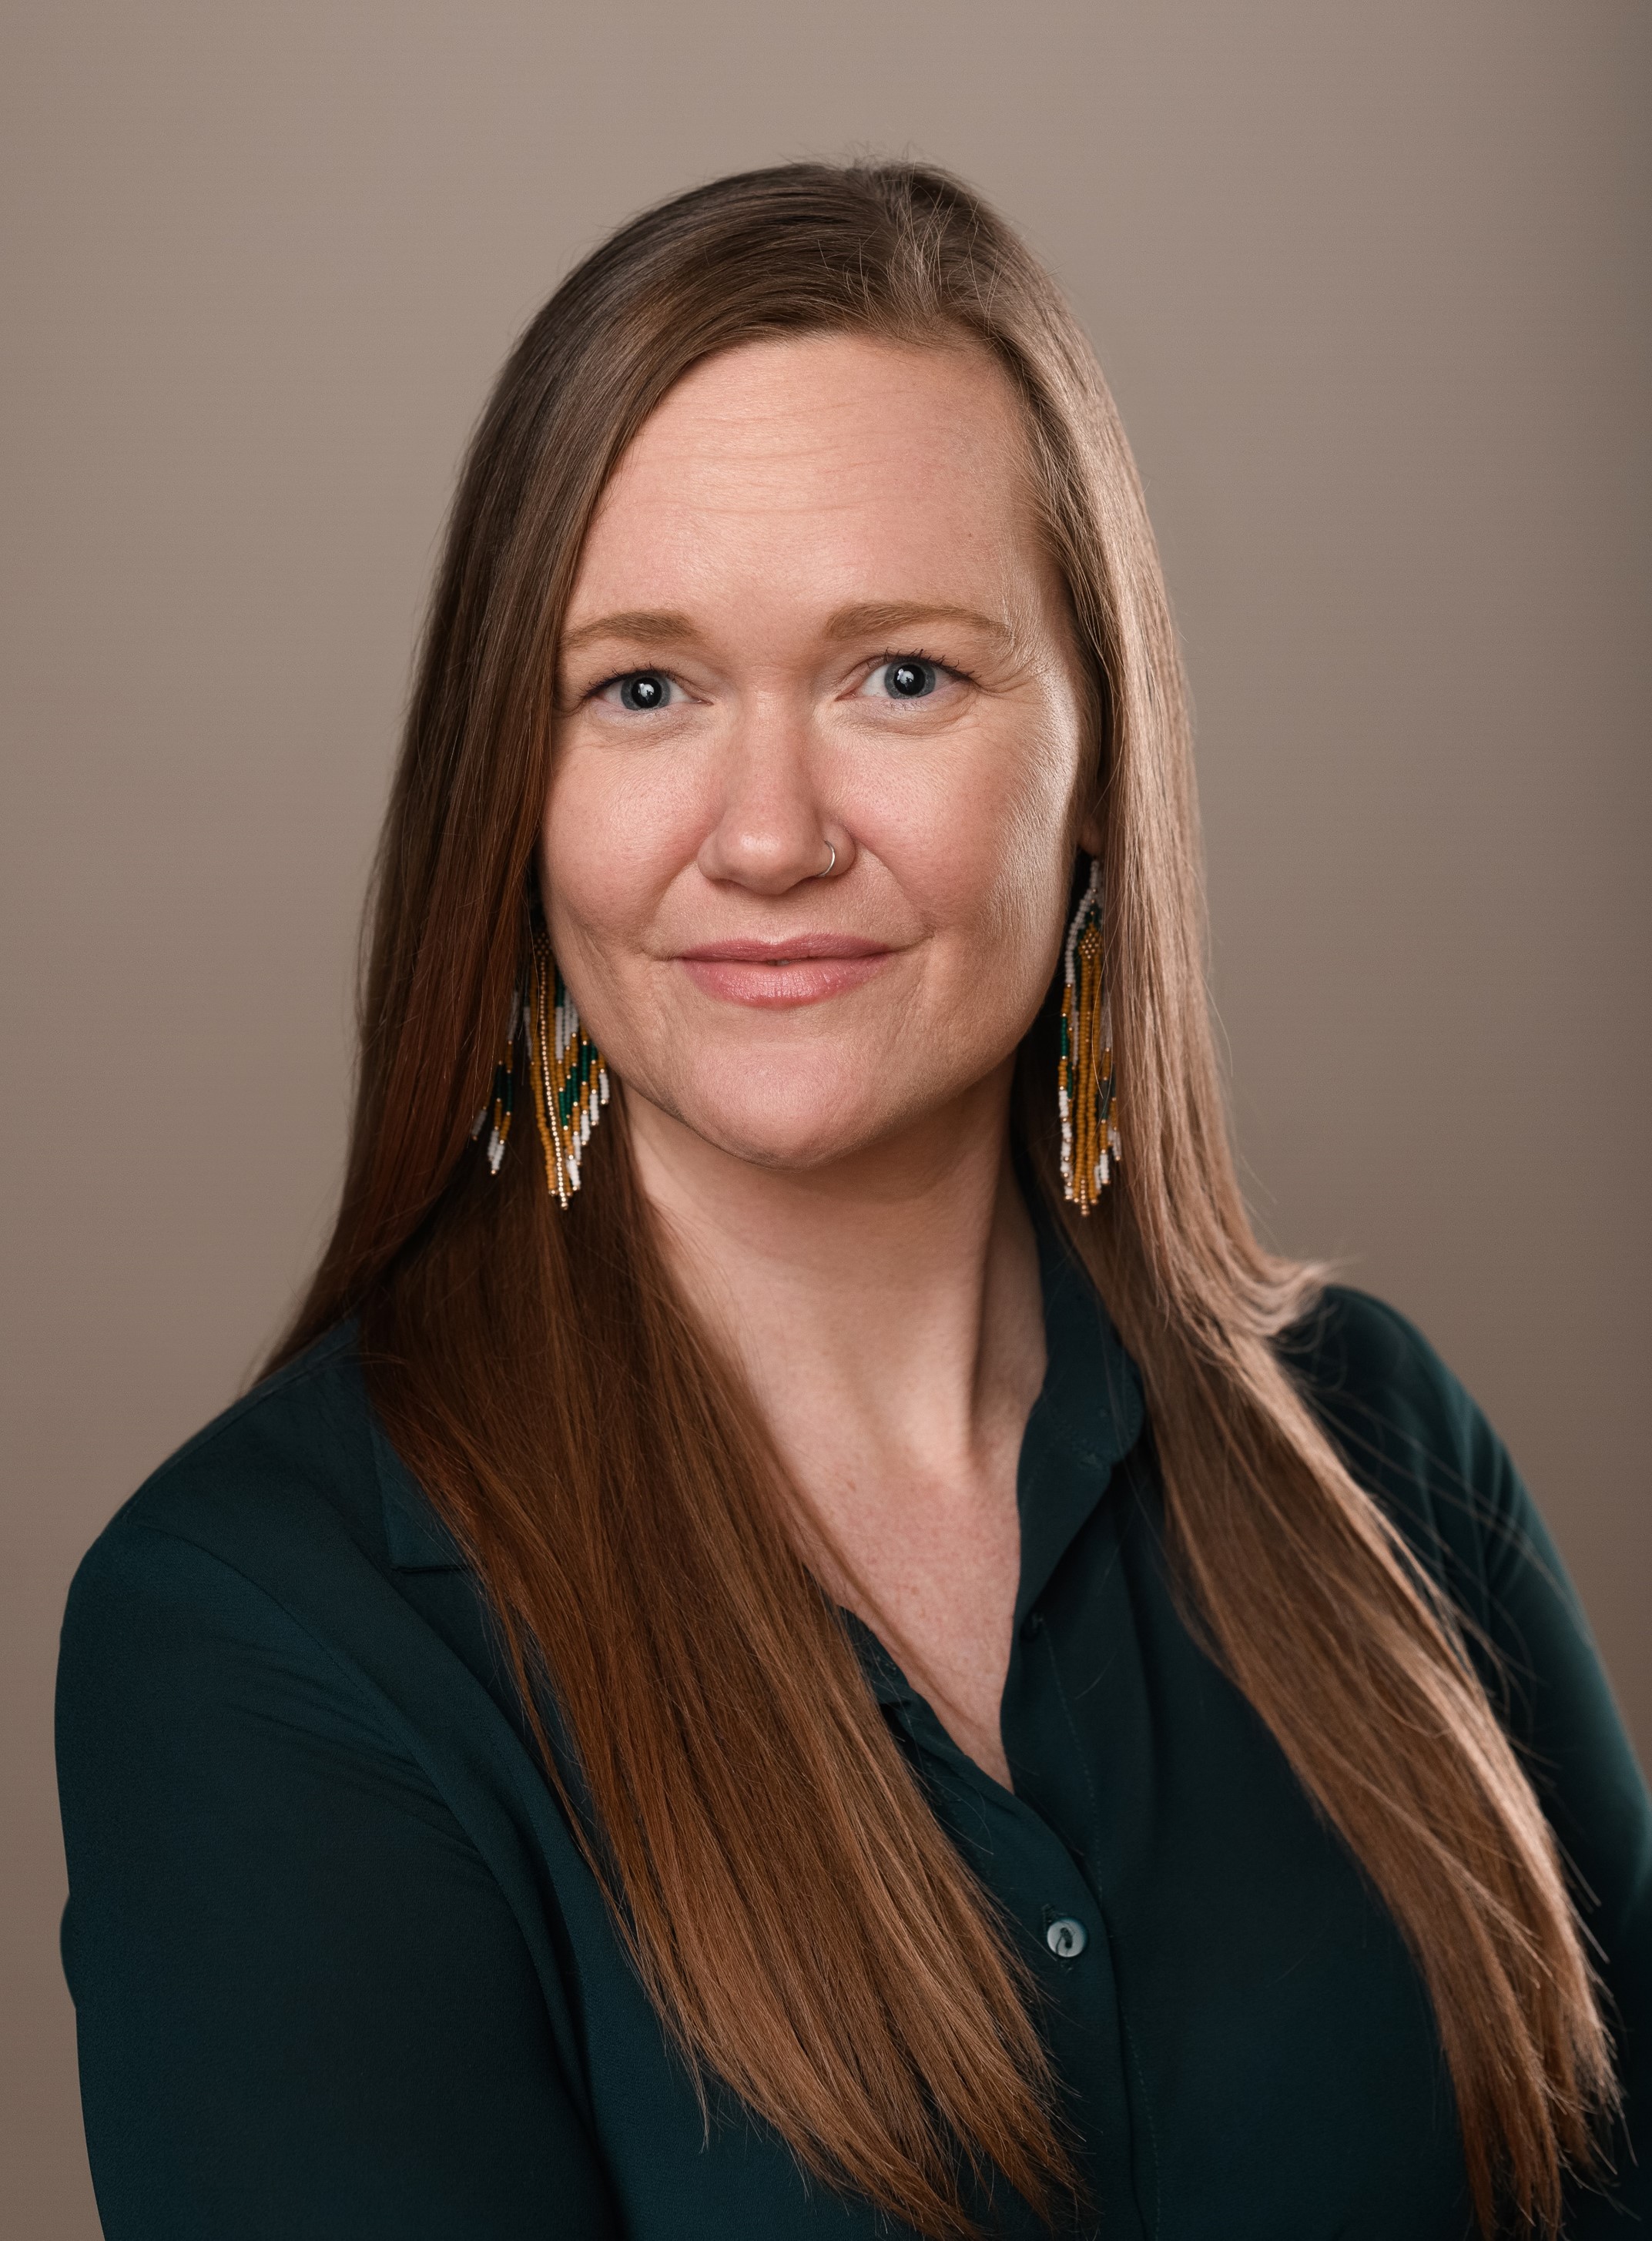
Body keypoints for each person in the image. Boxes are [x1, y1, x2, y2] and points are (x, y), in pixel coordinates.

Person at [55, 161, 1649, 2241]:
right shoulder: (264, 1634)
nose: (772, 835)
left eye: (899, 675)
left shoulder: (1374, 1446)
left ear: (1094, 765)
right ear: (509, 803)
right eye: (642, 690)